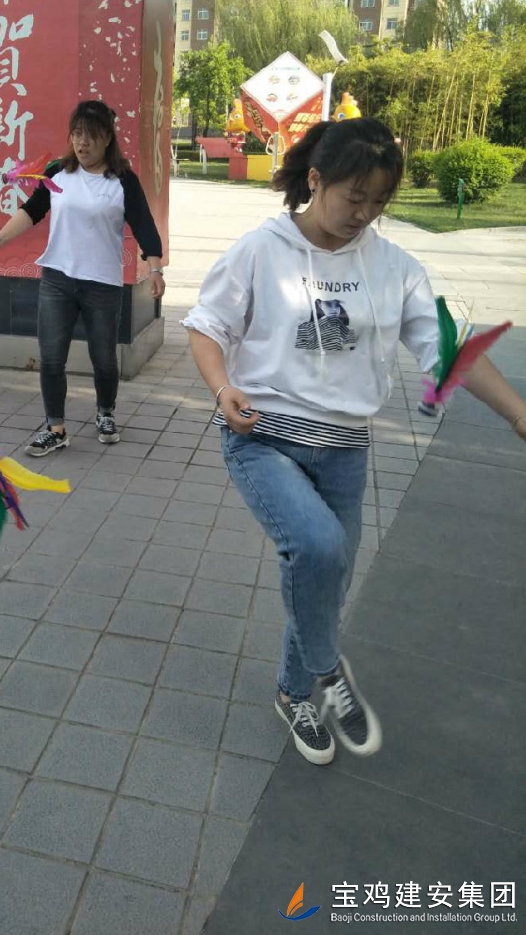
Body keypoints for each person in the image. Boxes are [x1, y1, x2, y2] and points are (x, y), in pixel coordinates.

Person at [183, 118, 526, 765]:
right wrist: (222, 386)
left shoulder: (394, 268)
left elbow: (448, 348)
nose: (364, 213)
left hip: (345, 448)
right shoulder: (261, 249)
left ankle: (293, 692)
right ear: (316, 179)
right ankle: (327, 668)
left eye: (379, 201)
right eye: (354, 196)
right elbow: (207, 326)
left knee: (327, 580)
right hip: (263, 436)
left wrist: (517, 413)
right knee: (317, 547)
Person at [0, 99, 165, 456]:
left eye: (90, 135)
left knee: (103, 358)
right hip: (57, 278)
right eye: (76, 134)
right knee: (51, 357)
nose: (82, 143)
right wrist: (1, 237)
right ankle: (55, 428)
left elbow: (144, 225)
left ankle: (105, 412)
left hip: (102, 284)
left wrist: (155, 269)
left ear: (107, 138)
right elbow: (33, 210)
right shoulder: (58, 172)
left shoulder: (122, 180)